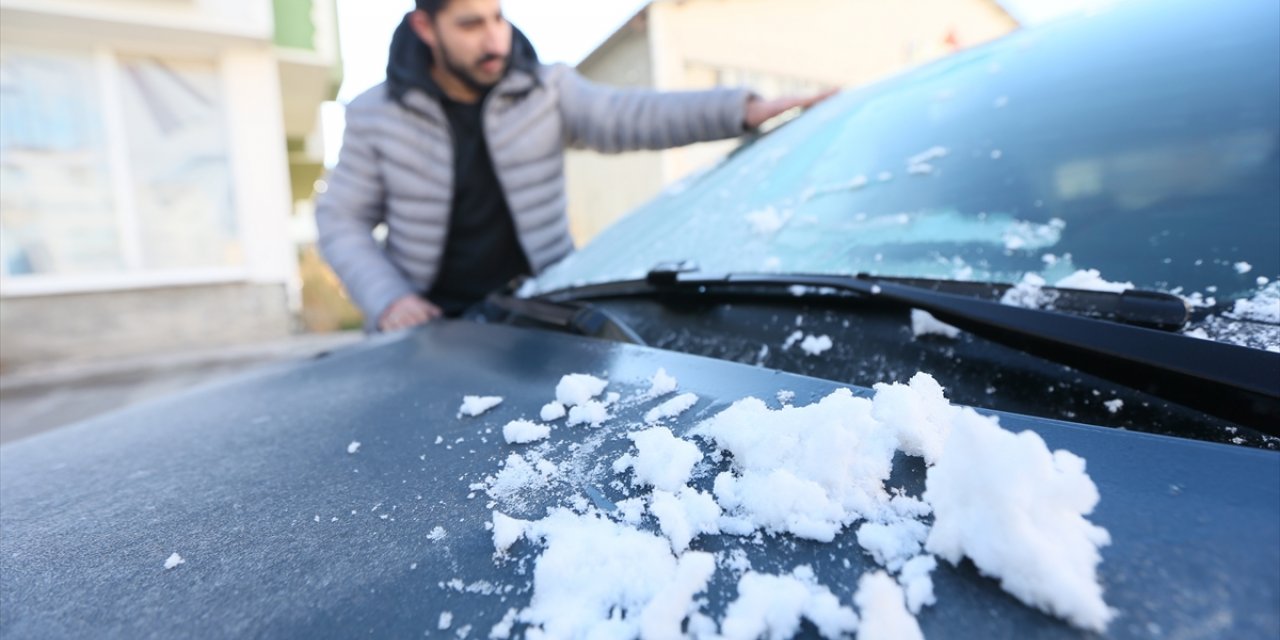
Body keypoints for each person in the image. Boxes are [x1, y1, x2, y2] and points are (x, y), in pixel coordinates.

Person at [316, 0, 833, 332]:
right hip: (430, 328)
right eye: (471, 23)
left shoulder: (547, 89)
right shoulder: (375, 113)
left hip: (538, 313)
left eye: (498, 16)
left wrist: (742, 109)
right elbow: (340, 219)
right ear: (425, 27)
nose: (495, 38)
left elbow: (633, 116)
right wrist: (389, 300)